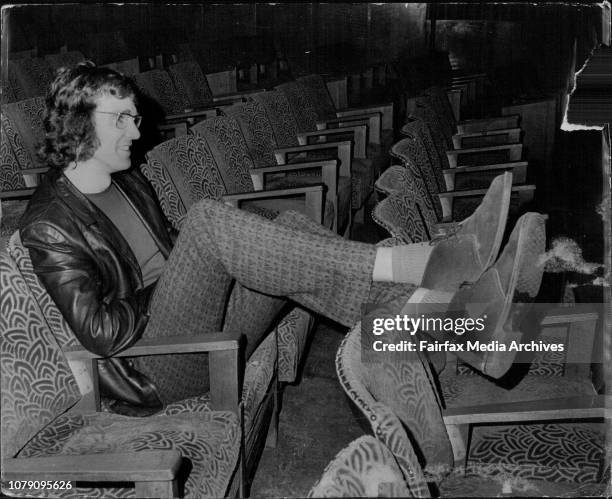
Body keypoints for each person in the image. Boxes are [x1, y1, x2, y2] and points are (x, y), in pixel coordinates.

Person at [20, 62, 512, 415]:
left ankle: (461, 333)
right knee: (208, 220)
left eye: (135, 116)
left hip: (200, 329)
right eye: (120, 119)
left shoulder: (125, 177)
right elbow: (102, 332)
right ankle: (420, 263)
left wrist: (204, 272)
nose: (136, 130)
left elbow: (167, 249)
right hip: (157, 369)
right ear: (80, 123)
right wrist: (177, 280)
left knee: (286, 230)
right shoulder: (49, 222)